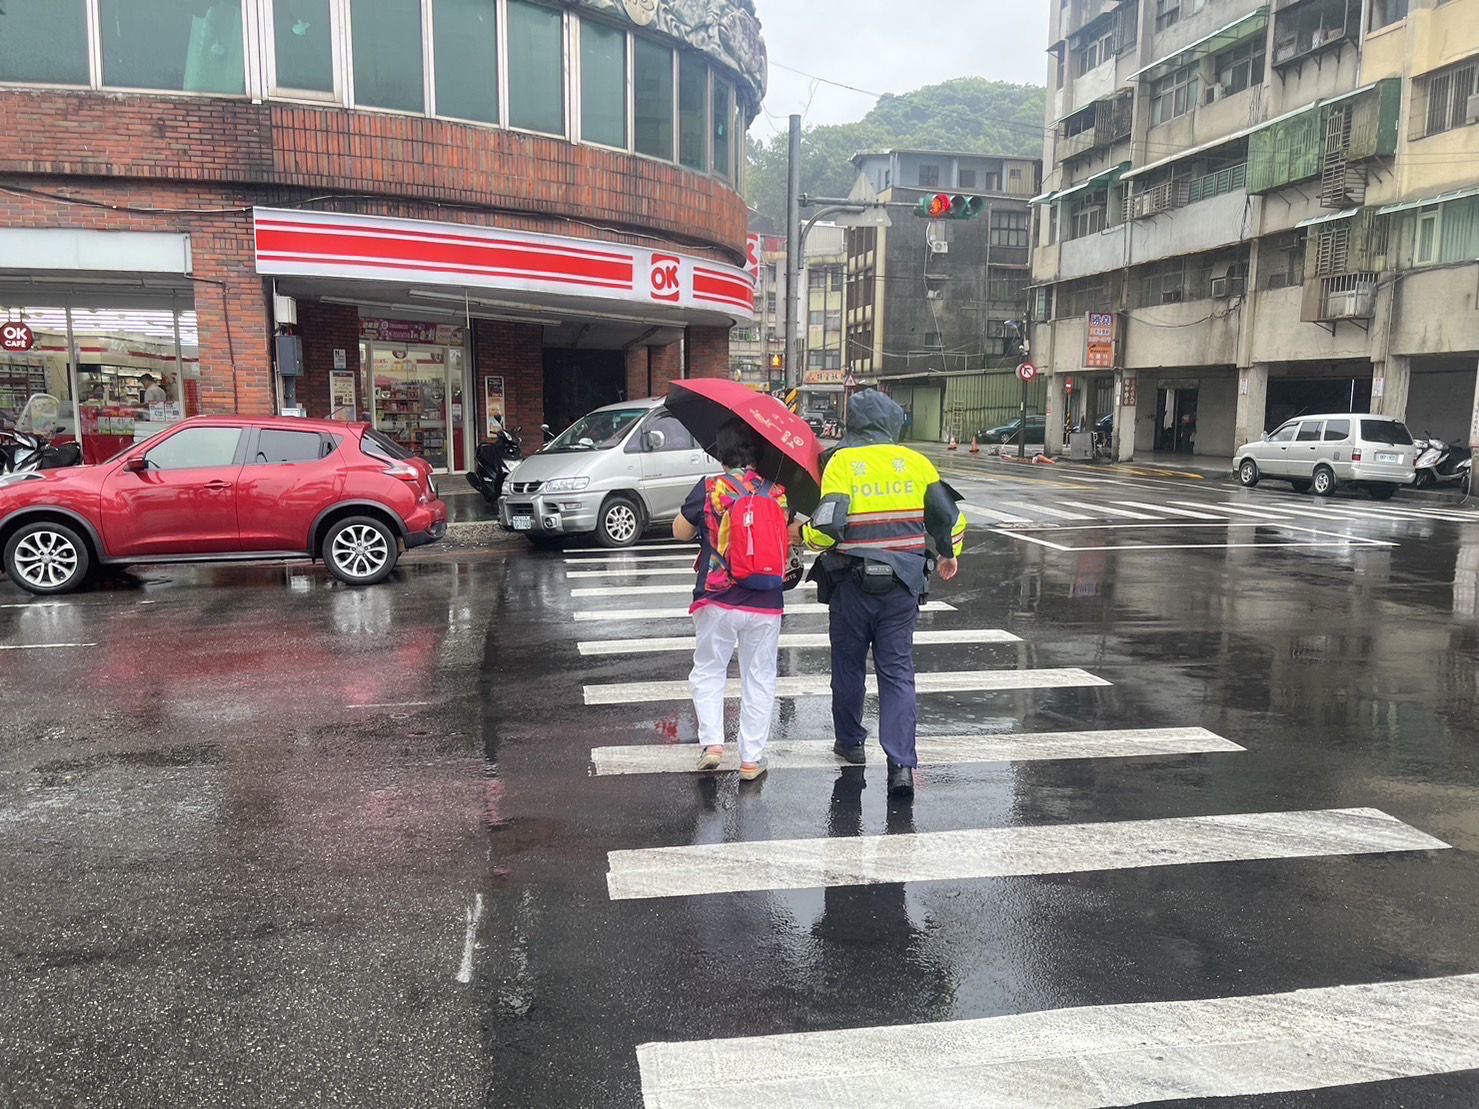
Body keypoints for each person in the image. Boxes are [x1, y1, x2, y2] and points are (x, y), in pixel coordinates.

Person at [797, 389, 966, 799]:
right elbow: (953, 521)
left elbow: (825, 530)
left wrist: (801, 533)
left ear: (853, 423)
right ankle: (901, 766)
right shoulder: (917, 463)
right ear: (892, 424)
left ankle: (851, 742)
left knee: (849, 667)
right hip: (902, 588)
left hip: (851, 588)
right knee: (897, 674)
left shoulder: (842, 463)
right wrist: (948, 553)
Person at [672, 419, 790, 782]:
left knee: (709, 668)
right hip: (765, 599)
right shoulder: (776, 491)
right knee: (759, 676)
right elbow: (790, 538)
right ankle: (751, 759)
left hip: (717, 596)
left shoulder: (710, 488)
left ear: (720, 453)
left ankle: (713, 745)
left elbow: (680, 532)